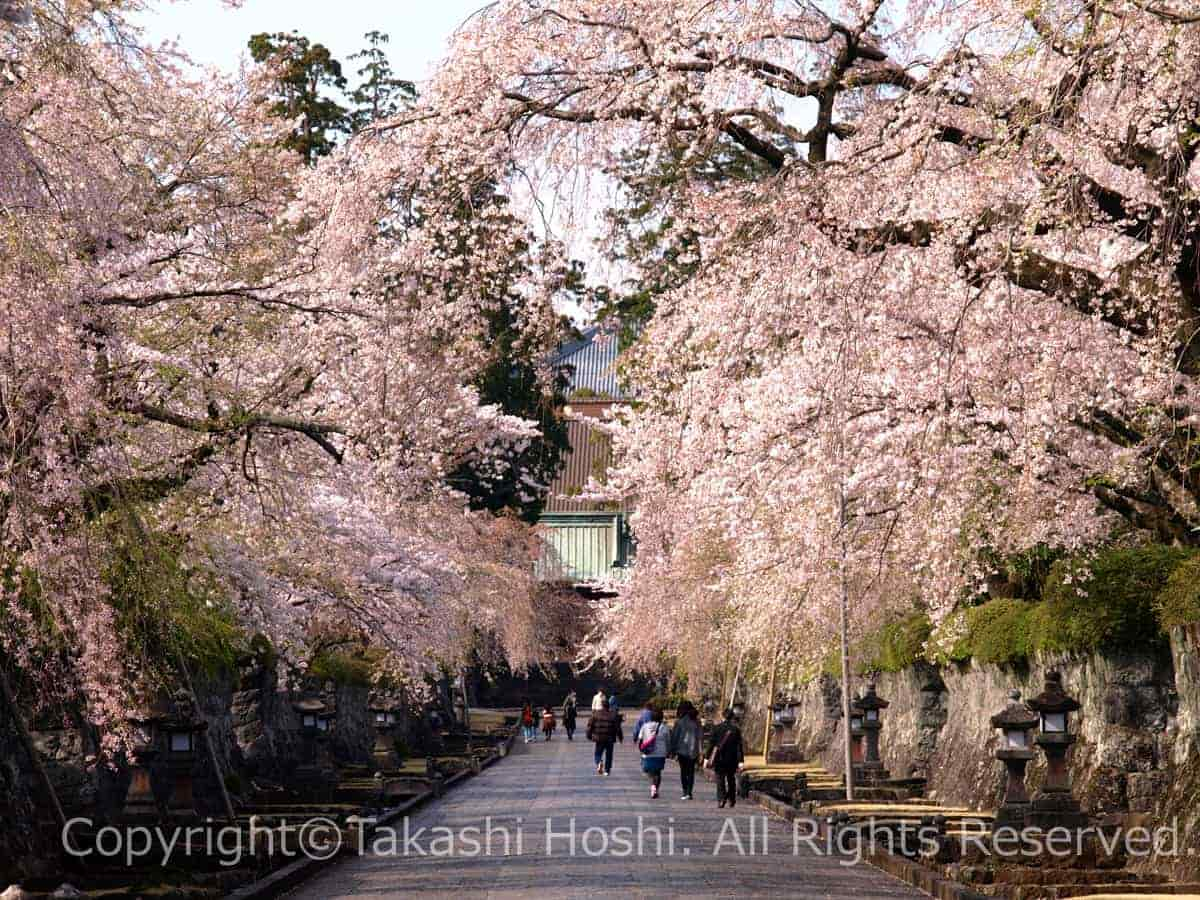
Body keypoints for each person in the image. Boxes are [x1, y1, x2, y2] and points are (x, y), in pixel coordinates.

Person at [705, 708, 745, 808]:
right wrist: (740, 761)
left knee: (720, 779)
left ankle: (721, 799)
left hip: (719, 758)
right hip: (732, 759)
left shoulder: (716, 728)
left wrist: (706, 758)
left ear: (722, 716)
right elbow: (739, 747)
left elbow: (711, 744)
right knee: (731, 779)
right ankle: (732, 799)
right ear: (732, 717)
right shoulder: (736, 730)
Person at [668, 701, 703, 800]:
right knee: (691, 772)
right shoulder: (697, 722)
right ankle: (689, 791)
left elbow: (675, 737)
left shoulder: (679, 722)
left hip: (682, 750)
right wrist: (701, 752)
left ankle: (685, 791)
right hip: (693, 751)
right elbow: (700, 737)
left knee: (683, 771)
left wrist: (672, 750)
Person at [586, 696, 623, 776]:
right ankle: (607, 770)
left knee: (598, 753)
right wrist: (620, 738)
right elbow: (618, 728)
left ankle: (599, 762)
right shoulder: (613, 715)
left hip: (599, 737)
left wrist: (588, 735)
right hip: (610, 738)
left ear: (602, 705)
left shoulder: (595, 714)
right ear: (608, 706)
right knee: (609, 754)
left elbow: (590, 725)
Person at [638, 707, 670, 798]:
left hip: (648, 753)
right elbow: (668, 741)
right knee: (658, 772)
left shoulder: (645, 726)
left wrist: (641, 749)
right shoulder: (664, 727)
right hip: (660, 753)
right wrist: (668, 751)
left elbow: (640, 739)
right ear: (661, 717)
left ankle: (653, 785)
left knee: (649, 771)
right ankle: (655, 787)